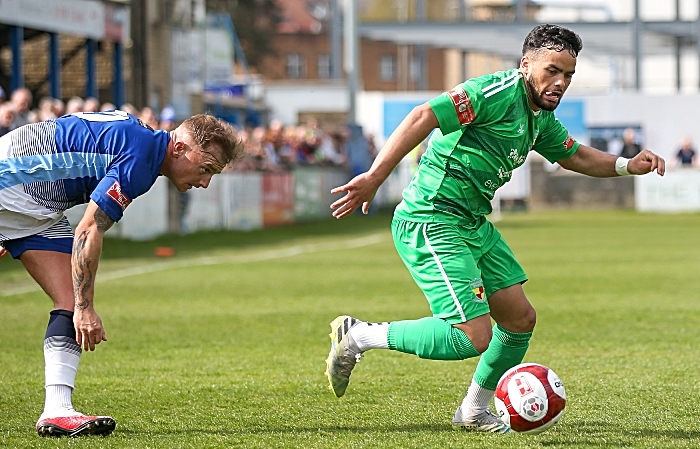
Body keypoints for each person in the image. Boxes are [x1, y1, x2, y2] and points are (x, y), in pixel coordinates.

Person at [324, 24, 665, 434]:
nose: (560, 83)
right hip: (432, 217)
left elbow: (574, 156)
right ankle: (359, 335)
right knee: (471, 336)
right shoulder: (495, 92)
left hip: (471, 222)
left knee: (519, 319)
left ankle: (472, 412)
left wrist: (628, 165)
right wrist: (376, 176)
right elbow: (424, 115)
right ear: (526, 65)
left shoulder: (538, 116)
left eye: (568, 75)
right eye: (552, 70)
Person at [0, 110, 244, 437]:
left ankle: (57, 410)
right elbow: (88, 231)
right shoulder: (142, 158)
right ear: (179, 148)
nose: (204, 182)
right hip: (13, 186)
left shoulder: (143, 144)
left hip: (30, 203)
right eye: (205, 169)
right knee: (77, 305)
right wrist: (88, 308)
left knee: (68, 301)